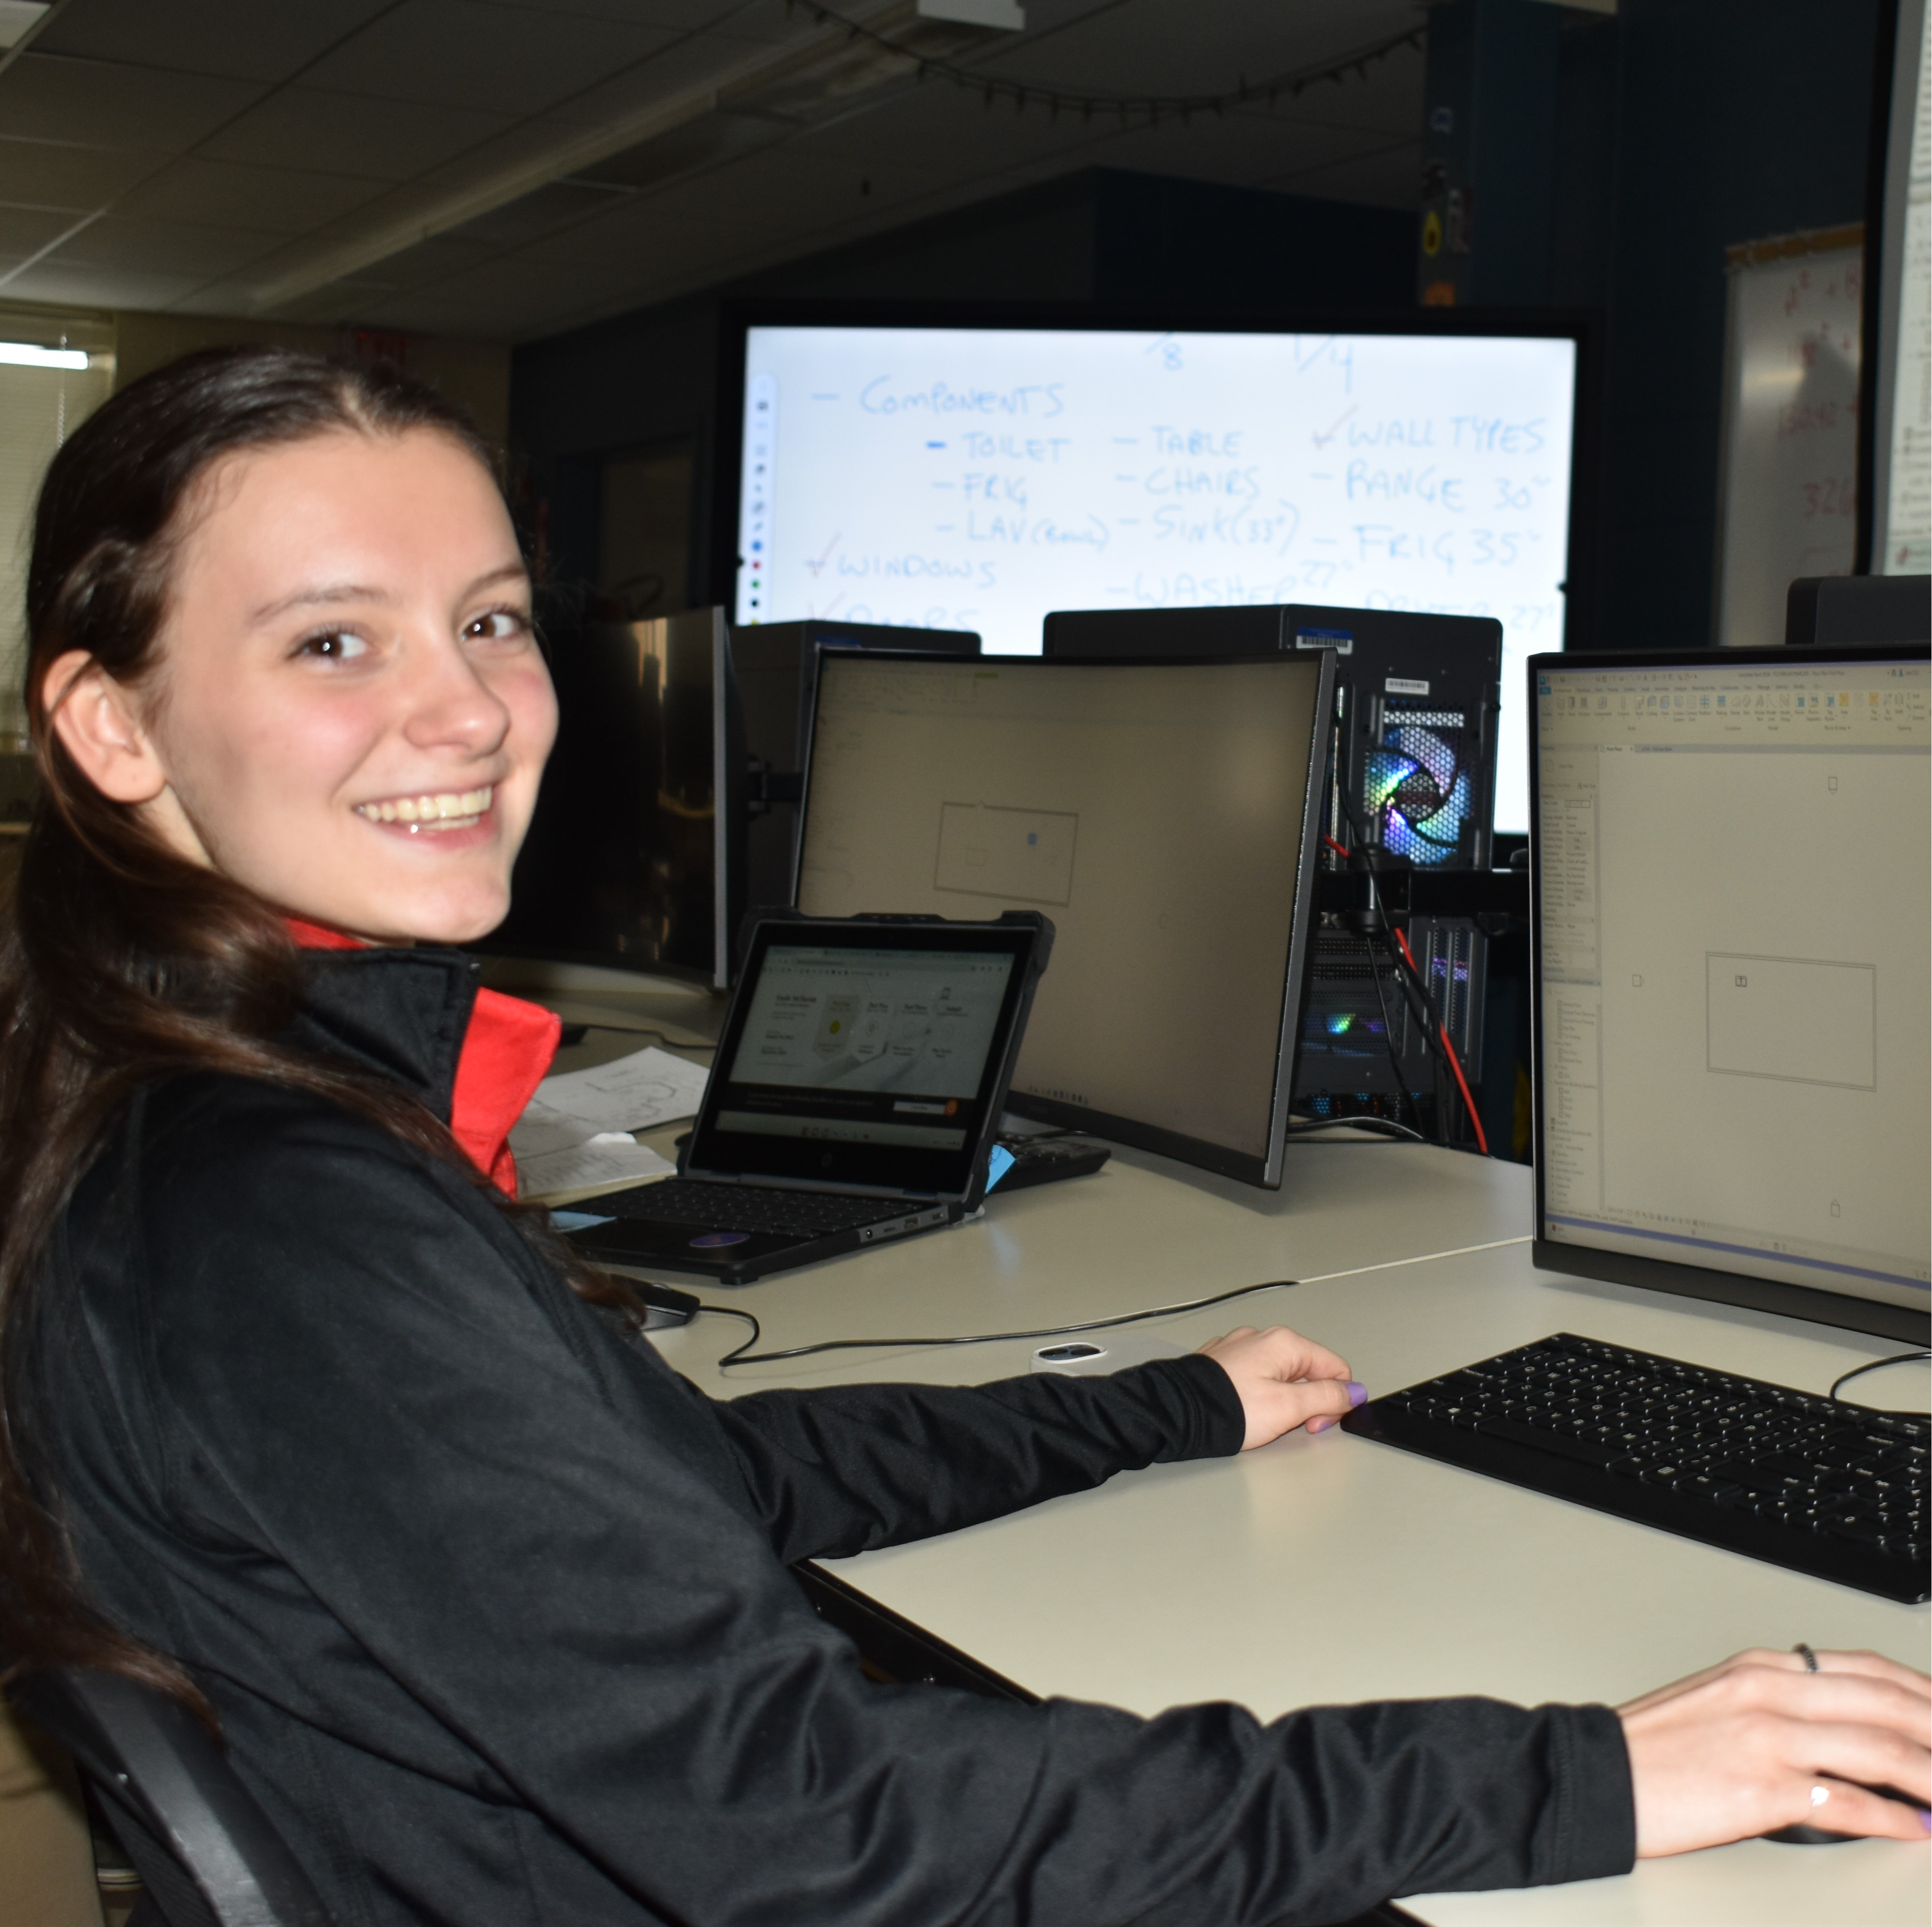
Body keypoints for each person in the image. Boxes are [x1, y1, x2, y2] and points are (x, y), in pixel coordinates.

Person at [0, 348, 1923, 1927]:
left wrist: (1163, 1407)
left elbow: (683, 1488)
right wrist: (1593, 1771)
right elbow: (818, 1831)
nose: (472, 714)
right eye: (334, 644)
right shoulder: (277, 1227)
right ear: (112, 724)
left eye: (491, 622)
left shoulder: (202, 1110)